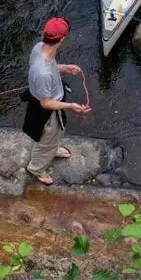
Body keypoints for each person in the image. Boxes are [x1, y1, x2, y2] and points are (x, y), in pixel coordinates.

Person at [22, 16, 90, 185]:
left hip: (50, 102)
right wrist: (70, 106)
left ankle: (52, 149)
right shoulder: (43, 74)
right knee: (47, 140)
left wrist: (64, 68)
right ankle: (36, 168)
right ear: (62, 39)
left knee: (55, 135)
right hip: (47, 112)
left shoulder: (39, 47)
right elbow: (45, 103)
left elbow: (49, 67)